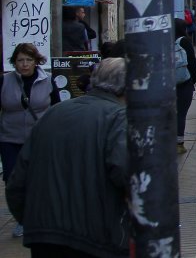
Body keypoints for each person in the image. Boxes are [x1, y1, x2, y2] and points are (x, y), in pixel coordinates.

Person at [6, 58, 130, 257]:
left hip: (44, 236)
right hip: (96, 238)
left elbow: (17, 182)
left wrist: (32, 222)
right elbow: (129, 177)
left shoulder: (53, 113)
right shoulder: (118, 118)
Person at [0, 43, 59, 238]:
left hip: (38, 137)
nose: (24, 64)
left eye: (28, 60)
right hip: (10, 137)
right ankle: (21, 218)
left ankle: (36, 216)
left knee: (37, 178)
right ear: (14, 63)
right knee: (11, 178)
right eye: (20, 60)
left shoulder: (47, 81)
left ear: (36, 61)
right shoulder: (4, 81)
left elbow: (57, 108)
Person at [175, 18, 196, 154]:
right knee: (181, 113)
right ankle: (179, 143)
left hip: (168, 83)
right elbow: (192, 62)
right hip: (184, 83)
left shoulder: (165, 41)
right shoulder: (184, 41)